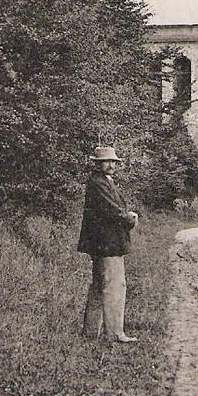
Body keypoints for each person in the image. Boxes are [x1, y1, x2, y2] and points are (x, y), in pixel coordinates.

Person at [77, 146, 139, 343]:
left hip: (101, 242)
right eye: (107, 161)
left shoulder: (101, 181)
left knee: (99, 285)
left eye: (114, 162)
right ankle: (114, 333)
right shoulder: (98, 183)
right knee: (114, 286)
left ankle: (91, 332)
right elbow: (112, 210)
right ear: (97, 163)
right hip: (107, 242)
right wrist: (130, 218)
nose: (112, 165)